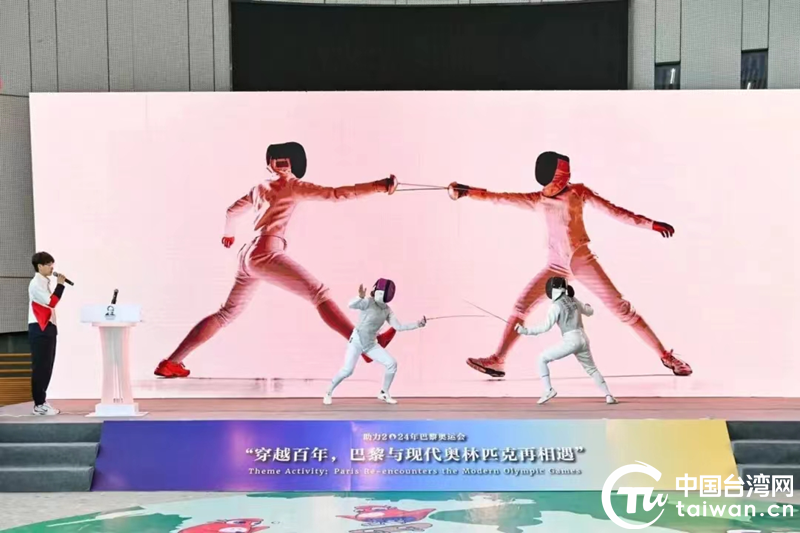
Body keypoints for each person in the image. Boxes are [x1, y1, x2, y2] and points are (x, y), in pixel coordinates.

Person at [155, 142, 398, 378]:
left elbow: (231, 211)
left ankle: (171, 362)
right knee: (319, 293)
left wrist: (229, 234)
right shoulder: (293, 185)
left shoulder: (259, 188)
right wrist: (380, 186)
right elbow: (336, 194)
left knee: (225, 313)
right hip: (266, 253)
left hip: (247, 255)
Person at [448, 150, 691, 378]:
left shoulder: (578, 192)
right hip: (555, 267)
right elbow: (499, 197)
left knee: (622, 309)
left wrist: (650, 224)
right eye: (562, 174)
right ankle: (498, 360)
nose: (568, 178)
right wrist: (467, 191)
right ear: (548, 178)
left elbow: (615, 211)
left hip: (581, 260)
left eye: (568, 174)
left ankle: (667, 357)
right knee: (521, 306)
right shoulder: (537, 200)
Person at [515, 276, 617, 405]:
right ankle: (608, 395)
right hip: (583, 338)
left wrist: (525, 331)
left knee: (541, 359)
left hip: (571, 340)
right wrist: (587, 305)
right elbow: (589, 311)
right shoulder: (573, 299)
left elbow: (545, 327)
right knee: (592, 369)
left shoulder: (555, 306)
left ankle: (548, 390)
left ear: (553, 289)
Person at [324, 279, 426, 405]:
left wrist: (418, 324)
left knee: (391, 363)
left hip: (370, 344)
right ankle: (328, 391)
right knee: (347, 370)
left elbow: (398, 327)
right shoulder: (368, 302)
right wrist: (359, 297)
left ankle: (384, 392)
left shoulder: (387, 310)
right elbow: (351, 305)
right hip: (356, 341)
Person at [28, 252, 67, 415]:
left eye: (52, 264)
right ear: (40, 266)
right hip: (40, 328)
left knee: (47, 366)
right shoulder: (36, 283)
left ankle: (42, 401)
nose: (52, 267)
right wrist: (60, 285)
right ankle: (39, 405)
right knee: (41, 367)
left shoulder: (44, 282)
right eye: (49, 264)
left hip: (48, 327)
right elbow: (52, 302)